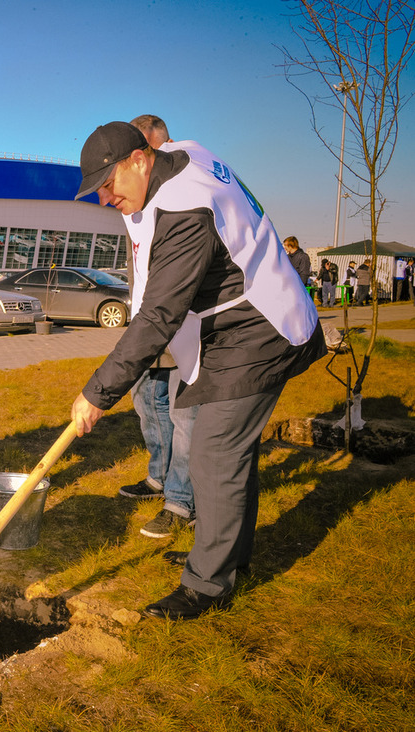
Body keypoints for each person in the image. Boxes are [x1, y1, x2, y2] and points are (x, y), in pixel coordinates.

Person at [71, 122, 325, 620]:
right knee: (229, 455)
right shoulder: (184, 157)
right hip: (235, 328)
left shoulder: (185, 209)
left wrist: (97, 394)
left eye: (108, 183)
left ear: (140, 160)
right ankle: (226, 554)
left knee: (214, 452)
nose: (105, 198)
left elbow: (159, 315)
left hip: (260, 329)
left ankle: (207, 585)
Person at [117, 115, 198, 540]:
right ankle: (160, 479)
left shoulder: (180, 193)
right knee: (148, 401)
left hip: (182, 322)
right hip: (147, 318)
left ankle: (181, 501)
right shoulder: (134, 201)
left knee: (186, 413)